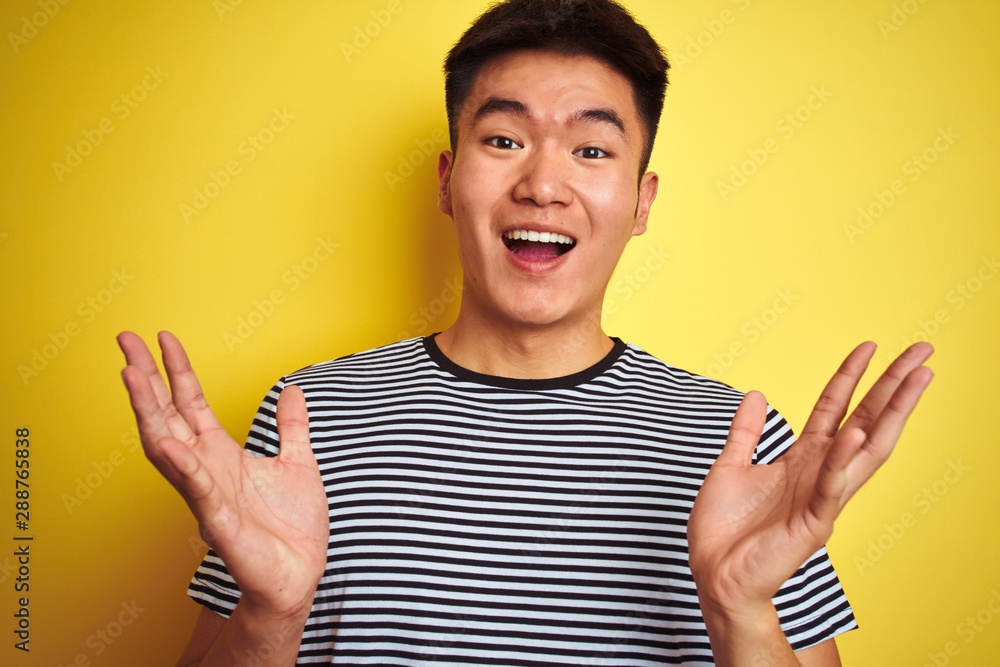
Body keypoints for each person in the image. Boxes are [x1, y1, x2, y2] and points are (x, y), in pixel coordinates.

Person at [117, 0, 934, 664]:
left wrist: (742, 611)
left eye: (590, 148)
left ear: (643, 201)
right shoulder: (309, 420)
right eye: (503, 140)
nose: (543, 183)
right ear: (447, 179)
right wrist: (268, 614)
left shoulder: (737, 443)